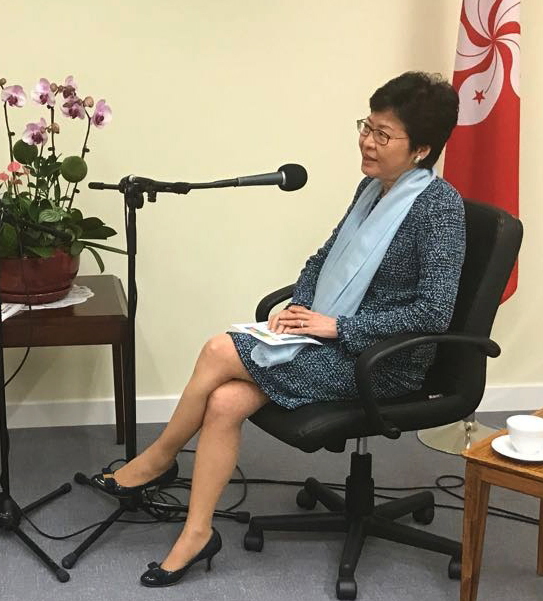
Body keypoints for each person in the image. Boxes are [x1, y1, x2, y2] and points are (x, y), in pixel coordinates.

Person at [91, 72, 465, 587]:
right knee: (225, 402)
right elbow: (323, 258)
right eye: (366, 127)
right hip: (329, 337)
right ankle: (197, 533)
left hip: (382, 360)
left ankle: (158, 459)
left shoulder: (440, 208)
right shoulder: (372, 189)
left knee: (218, 350)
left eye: (383, 135)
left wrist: (338, 326)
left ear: (421, 149)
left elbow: (433, 313)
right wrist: (302, 305)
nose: (367, 142)